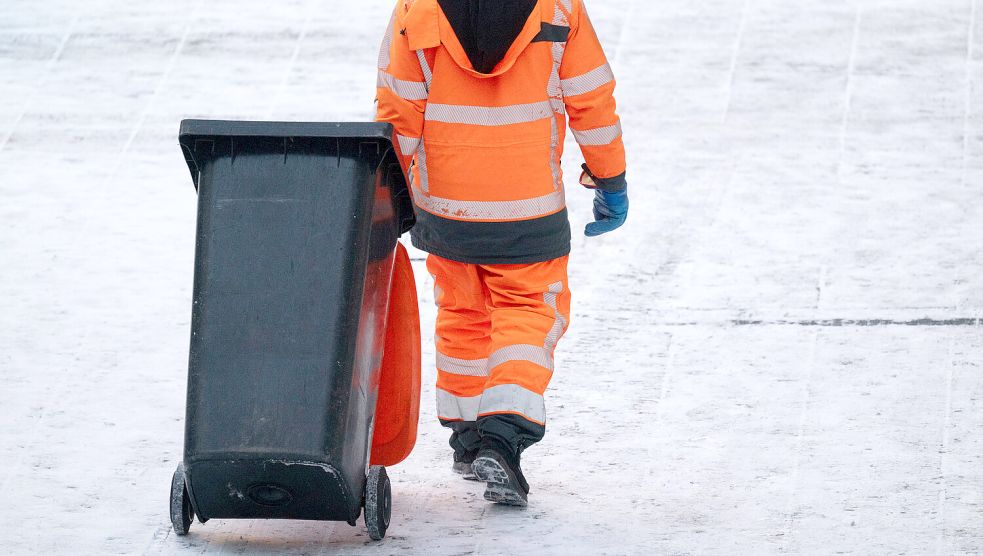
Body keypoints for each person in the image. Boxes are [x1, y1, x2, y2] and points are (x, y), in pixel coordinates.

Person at [375, 0, 627, 507]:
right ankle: (503, 434)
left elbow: (397, 111)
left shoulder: (416, 8)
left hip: (447, 210)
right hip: (528, 209)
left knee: (464, 313)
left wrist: (385, 200)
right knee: (531, 312)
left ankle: (469, 439)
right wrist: (610, 176)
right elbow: (591, 99)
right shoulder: (559, 9)